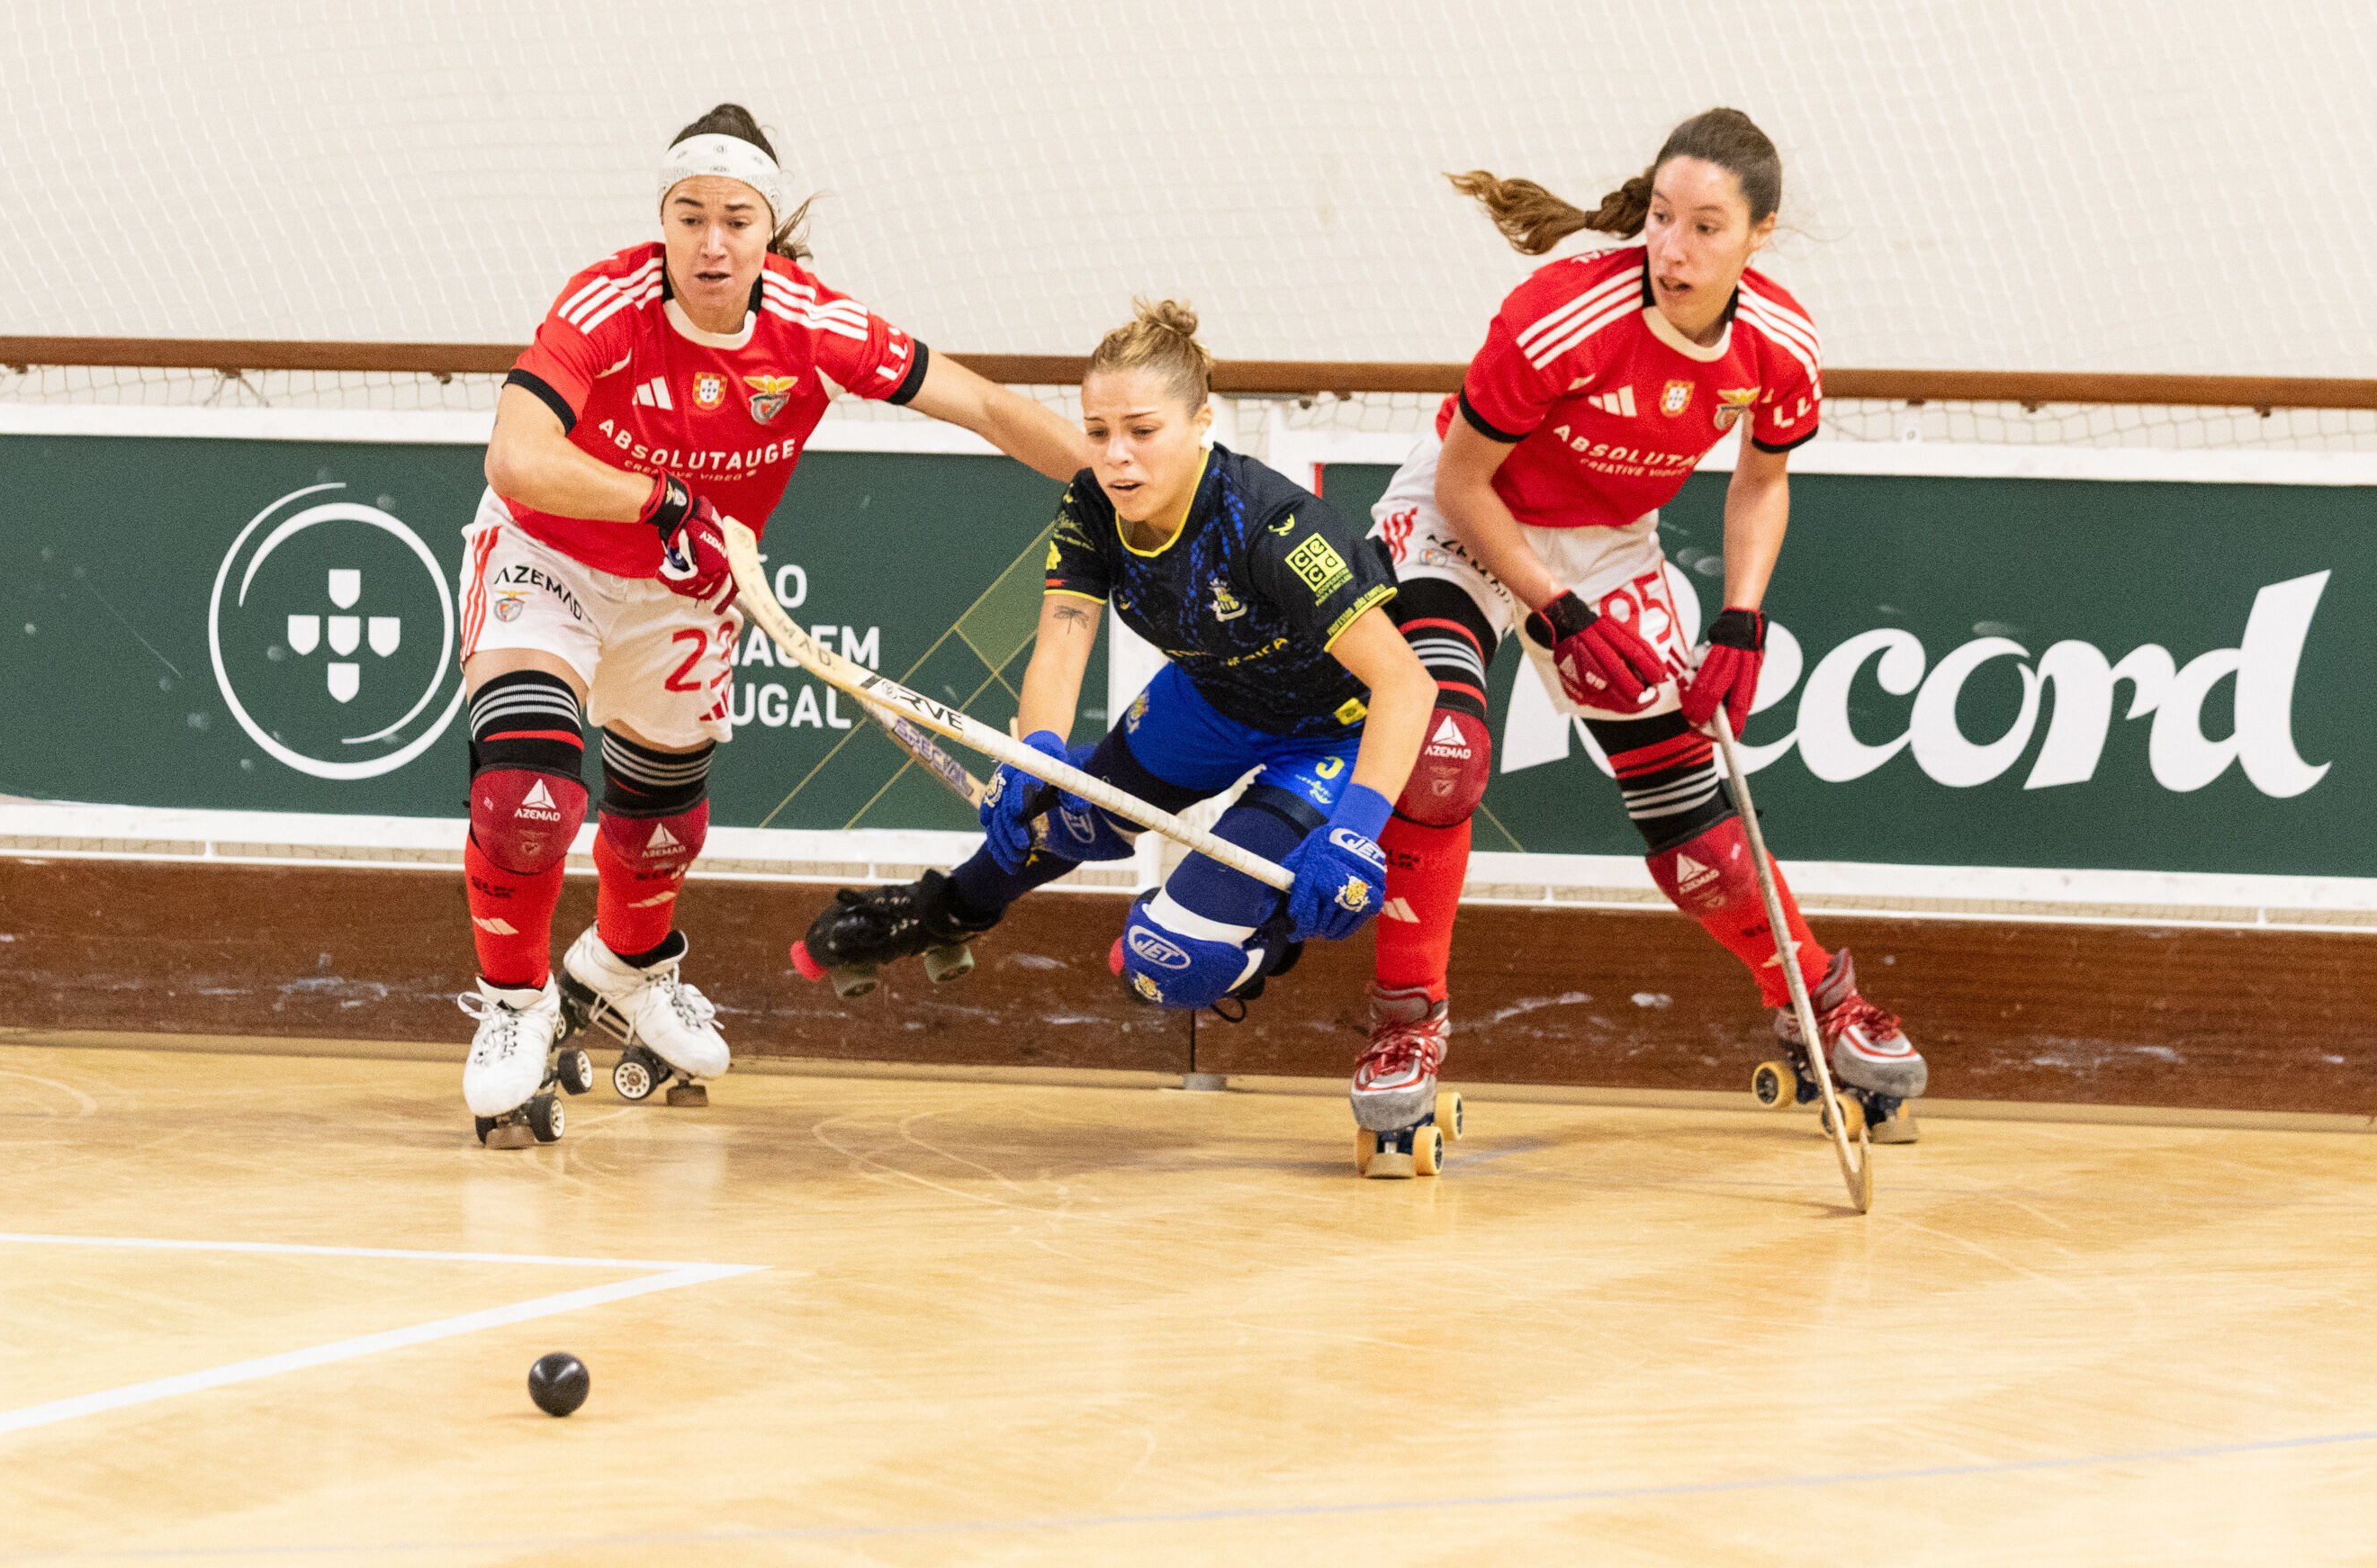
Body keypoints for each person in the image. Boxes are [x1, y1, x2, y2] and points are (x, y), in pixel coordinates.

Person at [454, 103, 1091, 1145]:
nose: (712, 241)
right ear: (661, 220)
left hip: (687, 586)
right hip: (549, 556)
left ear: (768, 228)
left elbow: (981, 405)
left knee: (664, 821)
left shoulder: (813, 323)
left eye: (737, 218)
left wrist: (1124, 489)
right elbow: (515, 458)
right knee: (527, 794)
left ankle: (628, 968)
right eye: (689, 214)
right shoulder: (606, 303)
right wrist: (660, 499)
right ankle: (518, 1003)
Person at [1365, 108, 1930, 1142]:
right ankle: (1406, 1024)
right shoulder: (1563, 314)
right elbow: (1463, 477)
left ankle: (1819, 1002)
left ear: (1759, 233)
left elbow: (1762, 481)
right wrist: (1555, 605)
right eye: (1662, 218)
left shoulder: (1778, 343)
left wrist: (1742, 619)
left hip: (1610, 540)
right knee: (1441, 755)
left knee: (1697, 822)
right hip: (1463, 523)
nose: (1673, 247)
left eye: (1707, 227)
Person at [793, 301, 1449, 1174]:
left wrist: (1357, 830)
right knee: (1054, 816)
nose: (1115, 454)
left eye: (1141, 429)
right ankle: (952, 905)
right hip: (1208, 699)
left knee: (1164, 962)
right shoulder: (1094, 504)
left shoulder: (1277, 527)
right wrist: (1040, 753)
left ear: (1202, 421)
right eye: (1098, 429)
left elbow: (1406, 680)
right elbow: (1063, 635)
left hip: (1325, 733)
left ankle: (1270, 933)